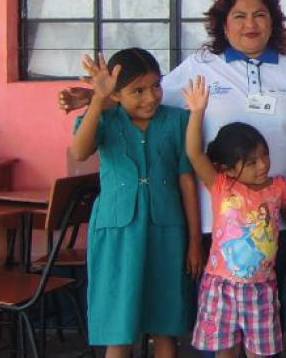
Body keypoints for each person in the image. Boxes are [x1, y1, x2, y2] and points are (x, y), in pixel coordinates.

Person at [58, 0, 286, 345]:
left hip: (273, 214)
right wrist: (93, 98)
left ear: (273, 20)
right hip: (217, 217)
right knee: (220, 321)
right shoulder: (201, 65)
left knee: (265, 313)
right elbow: (147, 97)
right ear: (223, 23)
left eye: (260, 15)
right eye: (239, 16)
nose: (250, 24)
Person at [70, 49, 200, 358]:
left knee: (166, 326)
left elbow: (186, 181)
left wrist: (195, 242)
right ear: (115, 94)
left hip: (167, 233)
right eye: (137, 91)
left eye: (155, 86)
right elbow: (79, 152)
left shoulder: (179, 121)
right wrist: (97, 101)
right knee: (118, 329)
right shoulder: (104, 119)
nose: (150, 98)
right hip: (116, 235)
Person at [184, 76, 286, 358]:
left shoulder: (278, 188)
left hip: (261, 289)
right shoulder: (221, 185)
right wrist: (197, 113)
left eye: (264, 156)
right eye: (252, 162)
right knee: (225, 352)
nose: (263, 165)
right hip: (220, 286)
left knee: (261, 353)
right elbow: (194, 153)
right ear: (228, 169)